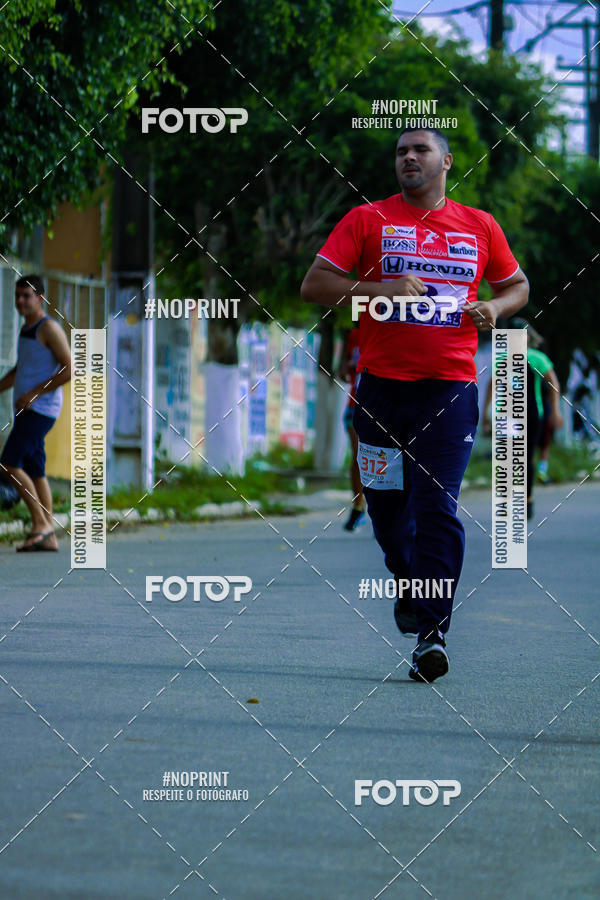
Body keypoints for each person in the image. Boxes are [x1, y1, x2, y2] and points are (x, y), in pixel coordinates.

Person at [301, 127, 528, 682]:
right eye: (401, 151)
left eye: (420, 150)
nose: (408, 157)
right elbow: (315, 285)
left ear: (446, 162)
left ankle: (432, 634)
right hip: (380, 392)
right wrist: (380, 290)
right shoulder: (367, 219)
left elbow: (517, 285)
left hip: (449, 392)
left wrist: (496, 308)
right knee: (386, 516)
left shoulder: (480, 225)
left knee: (436, 509)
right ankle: (408, 580)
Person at [0, 275, 72, 551]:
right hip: (27, 409)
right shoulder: (26, 329)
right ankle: (49, 536)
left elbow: (69, 369)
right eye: (17, 296)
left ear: (40, 299)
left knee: (8, 464)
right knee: (35, 469)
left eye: (26, 296)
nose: (20, 301)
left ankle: (41, 524)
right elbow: (22, 369)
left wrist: (34, 394)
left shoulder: (49, 328)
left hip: (41, 410)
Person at [483, 319, 563, 519]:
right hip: (506, 415)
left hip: (531, 414)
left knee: (526, 458)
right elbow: (492, 386)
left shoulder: (537, 359)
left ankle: (527, 500)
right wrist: (485, 414)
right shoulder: (502, 359)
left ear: (527, 337)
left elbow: (553, 384)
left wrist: (555, 411)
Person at [339, 327, 366, 531]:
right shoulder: (355, 335)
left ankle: (389, 514)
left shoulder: (391, 326)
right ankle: (358, 506)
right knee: (359, 456)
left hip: (383, 406)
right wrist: (349, 366)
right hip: (355, 404)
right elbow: (342, 371)